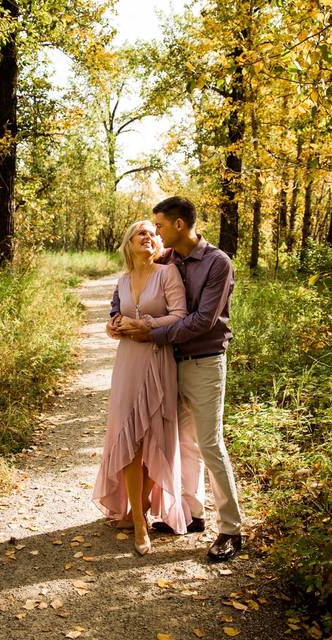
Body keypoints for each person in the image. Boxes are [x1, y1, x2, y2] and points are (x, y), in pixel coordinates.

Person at [109, 196, 244, 562]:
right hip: (169, 363)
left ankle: (231, 529)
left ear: (179, 225)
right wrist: (116, 319)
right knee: (181, 443)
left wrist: (150, 333)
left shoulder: (217, 263)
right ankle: (193, 512)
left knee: (210, 442)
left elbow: (203, 320)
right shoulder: (168, 258)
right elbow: (134, 288)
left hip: (203, 361)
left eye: (161, 226)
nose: (156, 233)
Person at [93, 219, 192, 556]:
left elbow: (180, 315)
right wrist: (113, 327)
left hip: (157, 360)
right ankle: (138, 519)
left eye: (154, 233)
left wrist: (145, 325)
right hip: (127, 365)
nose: (149, 237)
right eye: (142, 233)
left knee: (156, 438)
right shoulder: (121, 280)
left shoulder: (168, 274)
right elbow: (116, 316)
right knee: (129, 440)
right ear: (129, 242)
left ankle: (144, 503)